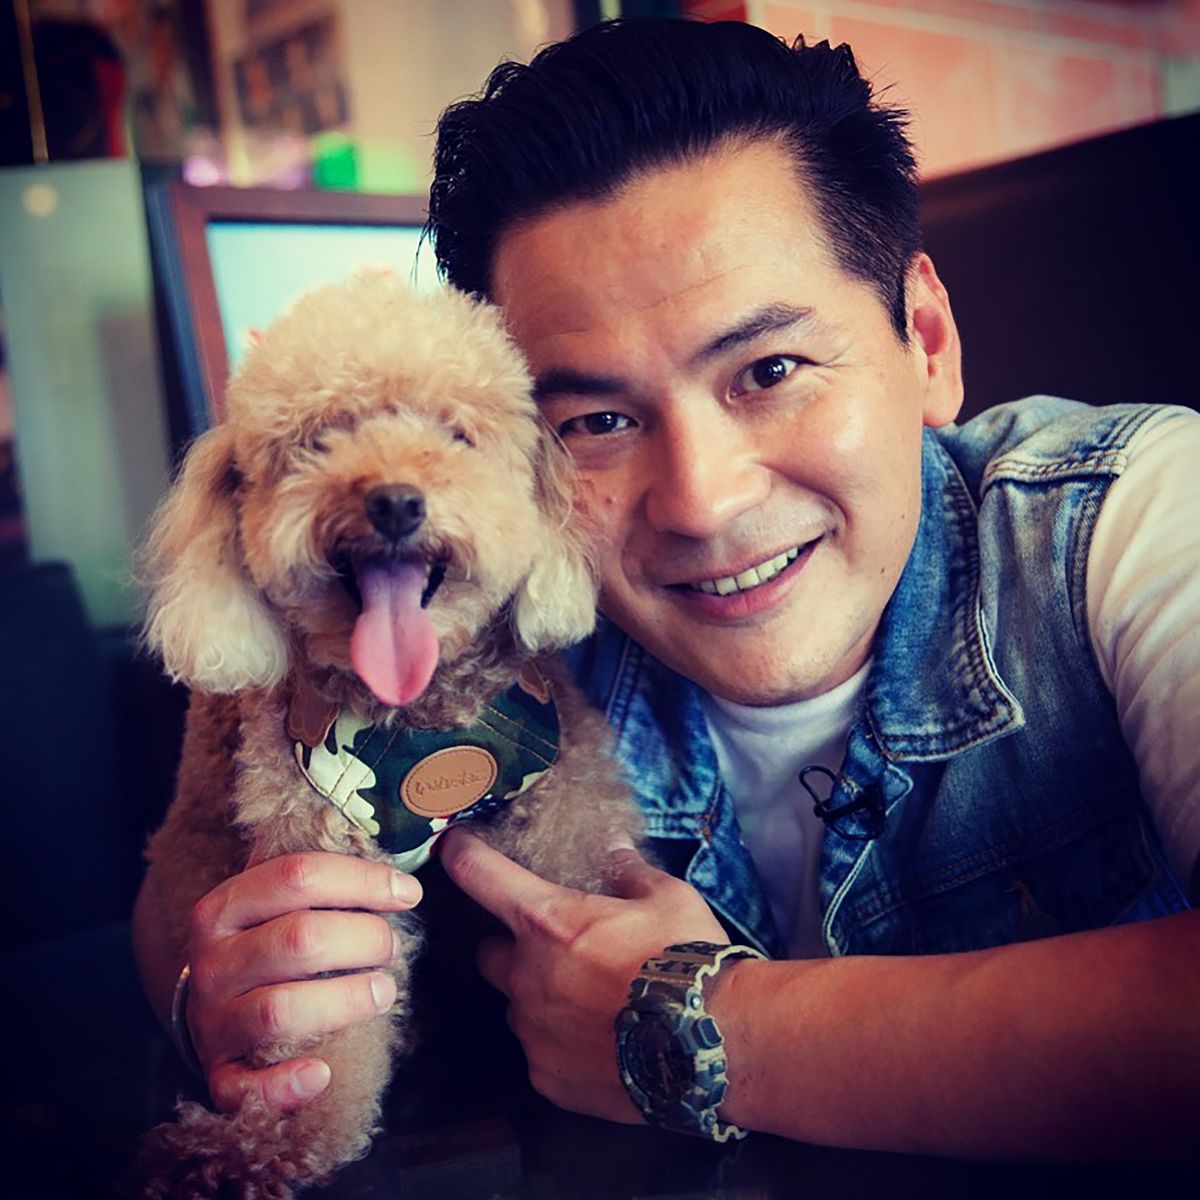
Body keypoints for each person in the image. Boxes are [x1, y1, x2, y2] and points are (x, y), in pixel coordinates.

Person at [132, 18, 1200, 1159]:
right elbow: (194, 864)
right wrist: (213, 992)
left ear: (927, 342)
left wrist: (712, 1026)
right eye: (597, 420)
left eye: (771, 370)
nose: (701, 501)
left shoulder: (1130, 515)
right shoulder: (479, 620)